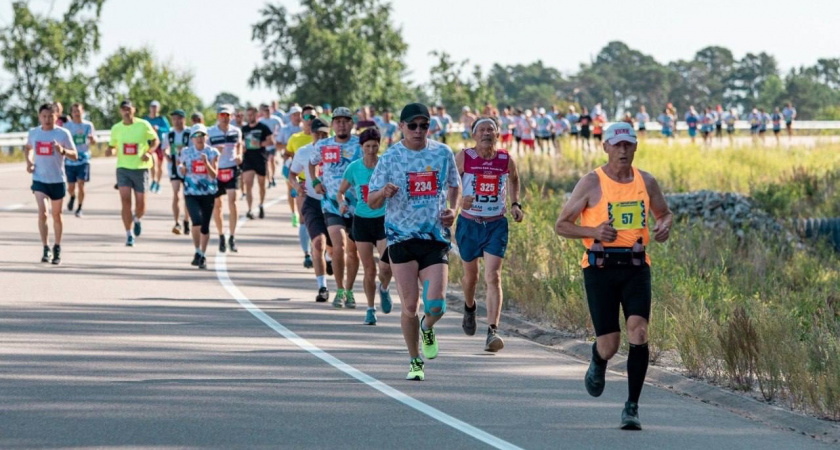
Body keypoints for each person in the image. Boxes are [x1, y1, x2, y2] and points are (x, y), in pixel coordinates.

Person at [554, 122, 673, 430]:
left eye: (628, 145)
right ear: (605, 146)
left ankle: (631, 407)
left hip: (635, 266)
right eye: (617, 145)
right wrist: (593, 231)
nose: (623, 150)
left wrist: (664, 226)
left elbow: (664, 213)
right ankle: (598, 358)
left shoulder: (646, 181)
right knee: (610, 344)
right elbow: (562, 224)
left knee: (639, 333)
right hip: (600, 268)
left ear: (635, 147)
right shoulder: (592, 182)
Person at [367, 102, 461, 381]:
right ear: (401, 127)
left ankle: (428, 327)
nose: (418, 130)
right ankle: (415, 360)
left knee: (436, 305)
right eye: (413, 125)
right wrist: (383, 191)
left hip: (433, 237)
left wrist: (452, 211)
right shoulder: (390, 158)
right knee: (410, 305)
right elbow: (371, 202)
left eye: (424, 125)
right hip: (401, 239)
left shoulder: (442, 153)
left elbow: (455, 185)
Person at [456, 116, 524, 352]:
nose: (486, 133)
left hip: (495, 224)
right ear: (474, 135)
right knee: (471, 278)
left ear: (497, 134)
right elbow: (450, 184)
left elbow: (515, 179)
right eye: (481, 130)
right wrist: (459, 200)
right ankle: (469, 306)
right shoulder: (465, 157)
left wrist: (516, 204)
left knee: (493, 276)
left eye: (491, 130)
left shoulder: (505, 159)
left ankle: (492, 330)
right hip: (469, 223)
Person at [337, 128, 393, 325]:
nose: (371, 150)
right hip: (361, 220)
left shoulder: (386, 165)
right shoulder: (354, 168)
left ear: (379, 145)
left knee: (386, 266)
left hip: (384, 219)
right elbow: (341, 191)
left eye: (374, 146)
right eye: (367, 146)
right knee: (369, 269)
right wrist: (342, 203)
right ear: (361, 147)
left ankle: (384, 288)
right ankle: (370, 309)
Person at [308, 107, 362, 309]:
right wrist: (315, 182)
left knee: (353, 252)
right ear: (332, 125)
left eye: (345, 121)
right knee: (339, 246)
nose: (341, 124)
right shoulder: (323, 145)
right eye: (337, 121)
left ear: (351, 123)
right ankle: (339, 290)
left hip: (357, 205)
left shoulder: (359, 144)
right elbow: (312, 164)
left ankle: (349, 290)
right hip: (331, 204)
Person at [25, 103, 78, 264]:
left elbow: (75, 155)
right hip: (39, 179)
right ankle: (45, 247)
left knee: (57, 215)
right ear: (39, 117)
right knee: (43, 213)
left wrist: (62, 151)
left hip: (57, 180)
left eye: (50, 116)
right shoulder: (34, 133)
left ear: (56, 117)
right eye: (44, 116)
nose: (47, 119)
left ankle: (57, 246)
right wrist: (29, 162)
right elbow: (28, 148)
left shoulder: (63, 134)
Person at [290, 118, 333, 302]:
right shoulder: (303, 152)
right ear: (311, 134)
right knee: (318, 244)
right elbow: (291, 173)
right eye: (318, 134)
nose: (321, 138)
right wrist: (297, 187)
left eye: (325, 134)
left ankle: (330, 260)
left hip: (334, 204)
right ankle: (322, 287)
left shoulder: (336, 151)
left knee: (337, 247)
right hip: (313, 203)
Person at [107, 100, 159, 247]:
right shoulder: (116, 128)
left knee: (141, 203)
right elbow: (112, 145)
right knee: (125, 201)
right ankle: (129, 234)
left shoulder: (143, 125)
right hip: (123, 168)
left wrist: (149, 152)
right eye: (123, 109)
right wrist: (110, 150)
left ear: (134, 110)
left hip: (141, 168)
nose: (126, 111)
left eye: (129, 109)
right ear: (120, 111)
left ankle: (137, 219)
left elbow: (156, 140)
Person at [178, 124, 220, 270]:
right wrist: (181, 169)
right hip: (191, 192)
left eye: (202, 135)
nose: (199, 138)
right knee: (196, 221)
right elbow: (180, 167)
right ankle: (196, 250)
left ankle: (202, 254)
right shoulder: (186, 152)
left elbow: (214, 174)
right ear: (192, 139)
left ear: (206, 137)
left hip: (208, 192)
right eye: (196, 136)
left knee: (205, 226)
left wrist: (206, 162)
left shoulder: (212, 152)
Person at [208, 105, 243, 253]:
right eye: (222, 115)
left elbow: (240, 145)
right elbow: (205, 148)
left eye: (228, 115)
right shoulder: (210, 132)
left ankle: (232, 236)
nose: (225, 117)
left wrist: (240, 155)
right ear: (218, 116)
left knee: (233, 200)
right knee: (218, 204)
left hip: (231, 168)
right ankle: (221, 235)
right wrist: (216, 152)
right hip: (217, 170)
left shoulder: (236, 131)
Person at [286, 105, 318, 268]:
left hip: (323, 184)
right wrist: (295, 184)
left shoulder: (326, 137)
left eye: (312, 117)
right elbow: (288, 160)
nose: (309, 120)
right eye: (306, 117)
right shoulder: (295, 138)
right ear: (301, 119)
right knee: (304, 218)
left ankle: (319, 250)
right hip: (303, 183)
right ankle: (306, 253)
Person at [240, 107, 275, 219]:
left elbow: (271, 141)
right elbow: (239, 143)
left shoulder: (263, 127)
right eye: (248, 115)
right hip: (248, 159)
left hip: (260, 158)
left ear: (256, 115)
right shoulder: (243, 129)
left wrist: (259, 143)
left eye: (252, 115)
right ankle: (249, 209)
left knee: (261, 184)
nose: (250, 117)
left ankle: (261, 205)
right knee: (248, 184)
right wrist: (242, 147)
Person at [63, 103, 96, 217]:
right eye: (74, 111)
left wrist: (92, 139)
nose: (77, 113)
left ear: (83, 111)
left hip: (84, 158)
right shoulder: (67, 126)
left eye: (78, 111)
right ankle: (72, 196)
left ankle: (80, 208)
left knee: (81, 184)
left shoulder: (88, 125)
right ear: (71, 113)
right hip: (70, 159)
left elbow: (94, 141)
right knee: (71, 186)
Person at [162, 109, 191, 235]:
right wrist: (168, 158)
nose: (176, 121)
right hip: (174, 167)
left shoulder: (189, 133)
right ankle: (177, 221)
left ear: (183, 119)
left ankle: (186, 220)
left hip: (187, 167)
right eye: (174, 119)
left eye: (178, 118)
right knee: (176, 194)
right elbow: (164, 148)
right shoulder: (170, 134)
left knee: (187, 195)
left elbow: (194, 148)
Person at [278, 105, 304, 227]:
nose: (297, 117)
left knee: (302, 189)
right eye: (294, 114)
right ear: (290, 116)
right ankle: (294, 213)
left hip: (303, 165)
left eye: (299, 114)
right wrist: (290, 148)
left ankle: (302, 213)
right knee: (291, 189)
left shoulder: (304, 128)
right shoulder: (285, 129)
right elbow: (278, 145)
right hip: (289, 163)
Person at [144, 100, 171, 194]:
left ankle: (158, 183)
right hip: (150, 144)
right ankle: (153, 180)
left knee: (160, 165)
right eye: (152, 107)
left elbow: (168, 129)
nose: (154, 109)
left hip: (160, 144)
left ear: (158, 109)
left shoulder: (161, 119)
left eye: (155, 107)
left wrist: (158, 128)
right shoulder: (146, 119)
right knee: (153, 162)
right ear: (150, 108)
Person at [259, 104, 284, 188]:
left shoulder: (276, 119)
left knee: (271, 160)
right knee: (266, 163)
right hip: (264, 145)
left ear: (271, 111)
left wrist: (277, 137)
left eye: (268, 110)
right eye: (265, 110)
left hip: (273, 144)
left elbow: (282, 129)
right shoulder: (260, 121)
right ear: (263, 112)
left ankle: (272, 177)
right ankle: (269, 179)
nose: (267, 112)